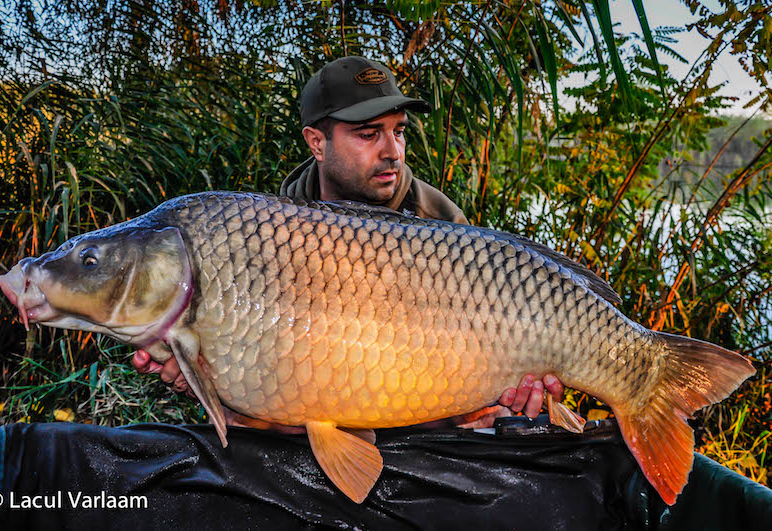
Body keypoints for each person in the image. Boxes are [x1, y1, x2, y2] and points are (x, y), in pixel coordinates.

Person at [132, 56, 564, 428]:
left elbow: (455, 374)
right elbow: (283, 385)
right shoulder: (267, 236)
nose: (393, 151)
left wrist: (481, 409)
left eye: (400, 131)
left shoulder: (442, 226)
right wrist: (212, 379)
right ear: (317, 142)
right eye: (369, 134)